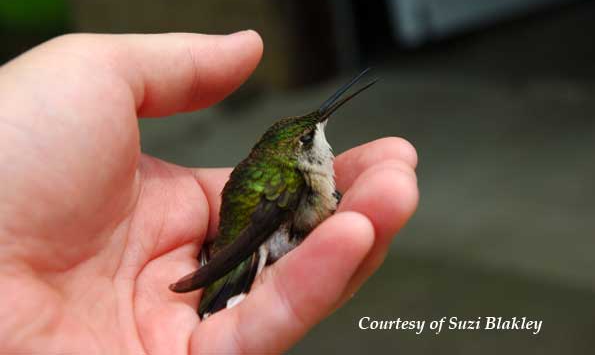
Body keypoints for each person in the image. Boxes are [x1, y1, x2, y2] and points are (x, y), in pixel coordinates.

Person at [0, 31, 419, 354]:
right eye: (313, 135)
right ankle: (225, 282)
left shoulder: (284, 167)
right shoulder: (292, 177)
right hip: (252, 236)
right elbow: (270, 225)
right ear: (300, 151)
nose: (319, 136)